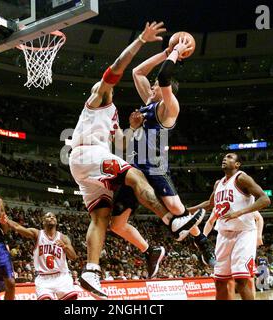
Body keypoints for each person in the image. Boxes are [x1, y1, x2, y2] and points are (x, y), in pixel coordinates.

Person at [69, 22, 205, 299]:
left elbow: (122, 141)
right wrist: (145, 41)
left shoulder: (120, 114)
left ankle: (91, 271)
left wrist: (132, 127)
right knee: (136, 177)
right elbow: (124, 66)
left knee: (102, 218)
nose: (151, 86)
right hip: (89, 154)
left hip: (92, 165)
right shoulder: (100, 95)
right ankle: (173, 221)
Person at [110, 36, 211, 270]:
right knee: (117, 224)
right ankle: (151, 251)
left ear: (164, 90)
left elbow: (164, 76)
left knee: (177, 210)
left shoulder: (168, 109)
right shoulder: (148, 102)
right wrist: (165, 53)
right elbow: (137, 72)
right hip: (134, 169)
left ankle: (202, 241)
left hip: (154, 165)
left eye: (155, 85)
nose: (152, 85)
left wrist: (176, 52)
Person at [188, 153, 271, 300]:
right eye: (224, 157)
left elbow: (265, 200)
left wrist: (239, 212)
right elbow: (210, 204)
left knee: (241, 280)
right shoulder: (218, 183)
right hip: (224, 235)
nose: (225, 159)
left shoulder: (241, 178)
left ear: (237, 164)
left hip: (244, 233)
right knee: (220, 281)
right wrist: (188, 210)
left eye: (229, 157)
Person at [3, 212, 78, 300]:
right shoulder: (37, 234)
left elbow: (73, 257)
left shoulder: (63, 238)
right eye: (48, 216)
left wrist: (65, 247)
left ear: (57, 221)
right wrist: (6, 219)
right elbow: (18, 227)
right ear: (43, 222)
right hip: (43, 278)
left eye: (53, 216)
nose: (51, 218)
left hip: (62, 276)